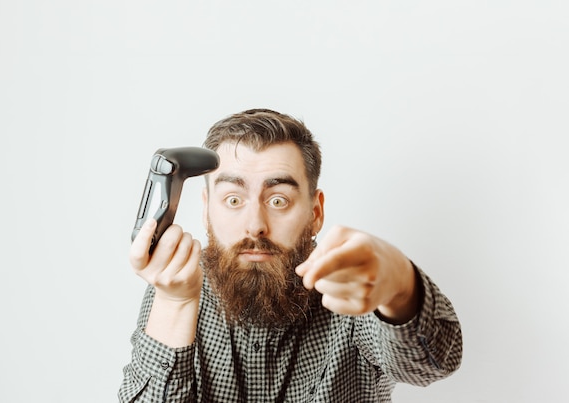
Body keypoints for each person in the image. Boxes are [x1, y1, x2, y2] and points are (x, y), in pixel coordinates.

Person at [119, 109, 462, 402]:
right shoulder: (176, 284)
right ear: (207, 210)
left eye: (278, 200)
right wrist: (174, 303)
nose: (255, 226)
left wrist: (399, 283)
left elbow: (431, 363)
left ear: (315, 212)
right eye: (234, 200)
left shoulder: (353, 287)